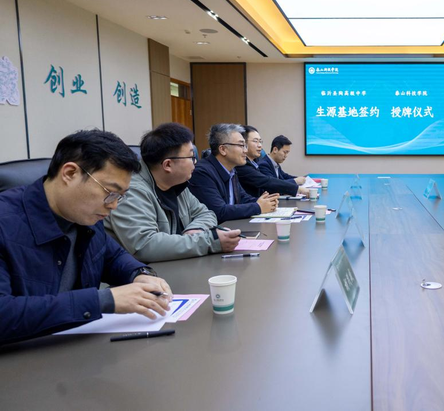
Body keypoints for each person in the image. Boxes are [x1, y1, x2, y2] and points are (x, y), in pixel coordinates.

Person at [0, 130, 173, 345]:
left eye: (120, 196)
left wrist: (139, 274)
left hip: (77, 347)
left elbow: (111, 256)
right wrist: (102, 301)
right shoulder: (6, 223)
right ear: (70, 173)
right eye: (110, 192)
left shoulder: (85, 215)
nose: (113, 205)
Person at [104, 123, 241, 263]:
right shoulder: (131, 191)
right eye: (191, 157)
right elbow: (144, 245)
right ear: (168, 165)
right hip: (146, 272)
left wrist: (196, 229)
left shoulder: (177, 185)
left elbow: (206, 213)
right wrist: (210, 241)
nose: (195, 163)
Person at [189, 124, 279, 223]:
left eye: (245, 146)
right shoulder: (202, 173)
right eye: (241, 145)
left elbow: (243, 198)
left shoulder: (232, 170)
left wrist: (267, 202)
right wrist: (258, 207)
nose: (245, 150)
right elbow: (218, 212)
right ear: (223, 149)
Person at [235, 126, 310, 198]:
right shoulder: (243, 165)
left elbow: (284, 176)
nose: (260, 145)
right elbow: (267, 182)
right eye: (255, 141)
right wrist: (297, 187)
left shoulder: (255, 162)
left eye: (260, 141)